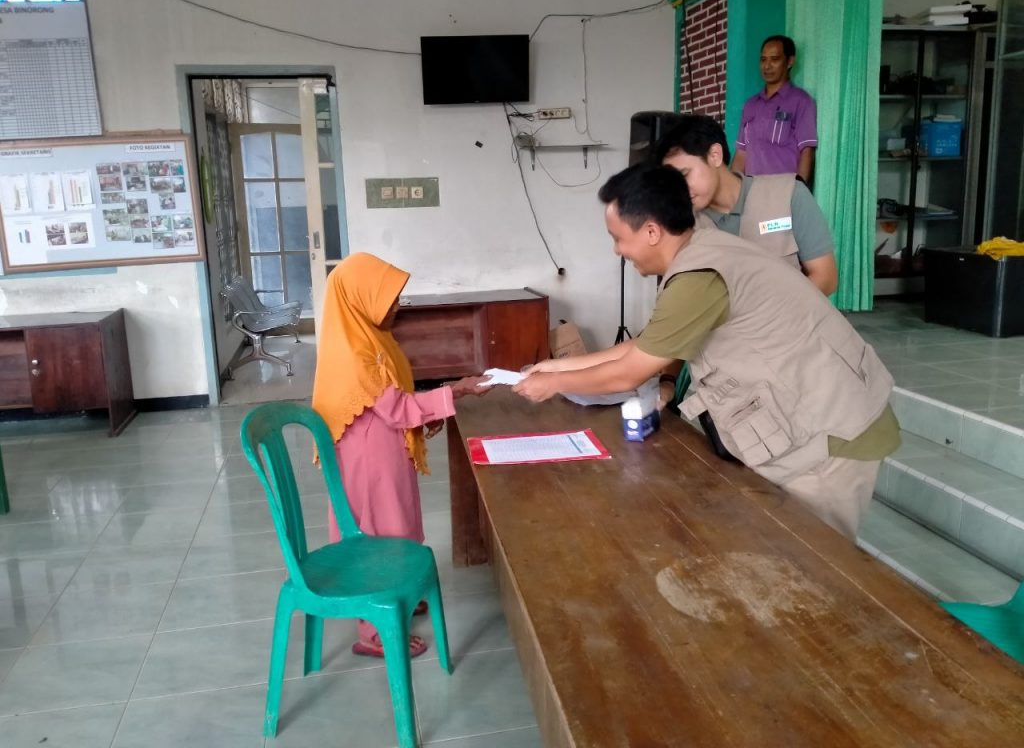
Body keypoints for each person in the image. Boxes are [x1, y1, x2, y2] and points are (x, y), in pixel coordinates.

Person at [512, 163, 900, 541]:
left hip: (831, 436)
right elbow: (648, 345)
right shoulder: (702, 250)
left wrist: (555, 383)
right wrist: (555, 367)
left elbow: (630, 371)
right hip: (816, 421)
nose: (617, 251)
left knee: (814, 564)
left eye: (618, 238)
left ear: (651, 231)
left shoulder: (699, 275)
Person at [311, 252, 488, 659]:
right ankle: (374, 630)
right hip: (369, 463)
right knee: (377, 536)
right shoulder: (356, 355)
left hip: (382, 453)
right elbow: (397, 408)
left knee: (397, 525)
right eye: (388, 299)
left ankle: (396, 593)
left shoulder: (370, 338)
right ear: (360, 299)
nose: (396, 307)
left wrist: (430, 412)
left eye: (396, 298)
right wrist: (457, 391)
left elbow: (396, 400)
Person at [655, 113, 837, 295]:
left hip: (794, 313)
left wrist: (769, 311)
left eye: (685, 174)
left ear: (715, 155)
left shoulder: (788, 194)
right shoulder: (684, 229)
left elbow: (826, 278)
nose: (681, 188)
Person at [732, 35, 817, 185]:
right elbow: (741, 154)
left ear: (790, 61)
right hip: (752, 192)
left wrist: (798, 192)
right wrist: (733, 191)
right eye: (763, 59)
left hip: (783, 192)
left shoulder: (801, 101)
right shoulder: (751, 105)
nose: (767, 66)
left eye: (775, 59)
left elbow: (807, 152)